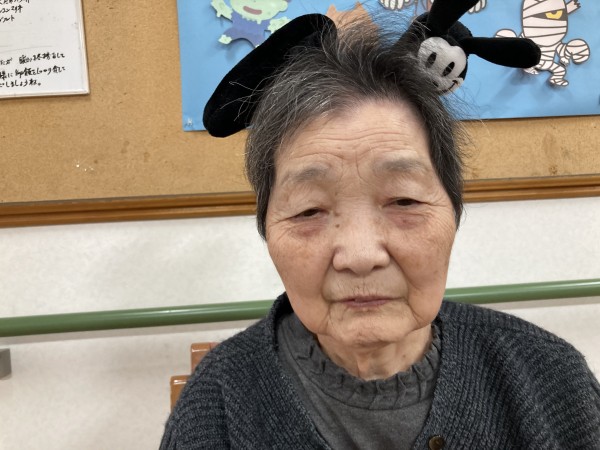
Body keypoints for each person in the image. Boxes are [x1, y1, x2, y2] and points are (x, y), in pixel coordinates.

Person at [161, 3, 600, 449]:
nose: (360, 256)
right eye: (309, 210)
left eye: (404, 200)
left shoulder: (551, 383)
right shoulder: (214, 408)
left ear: (453, 211)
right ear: (267, 228)